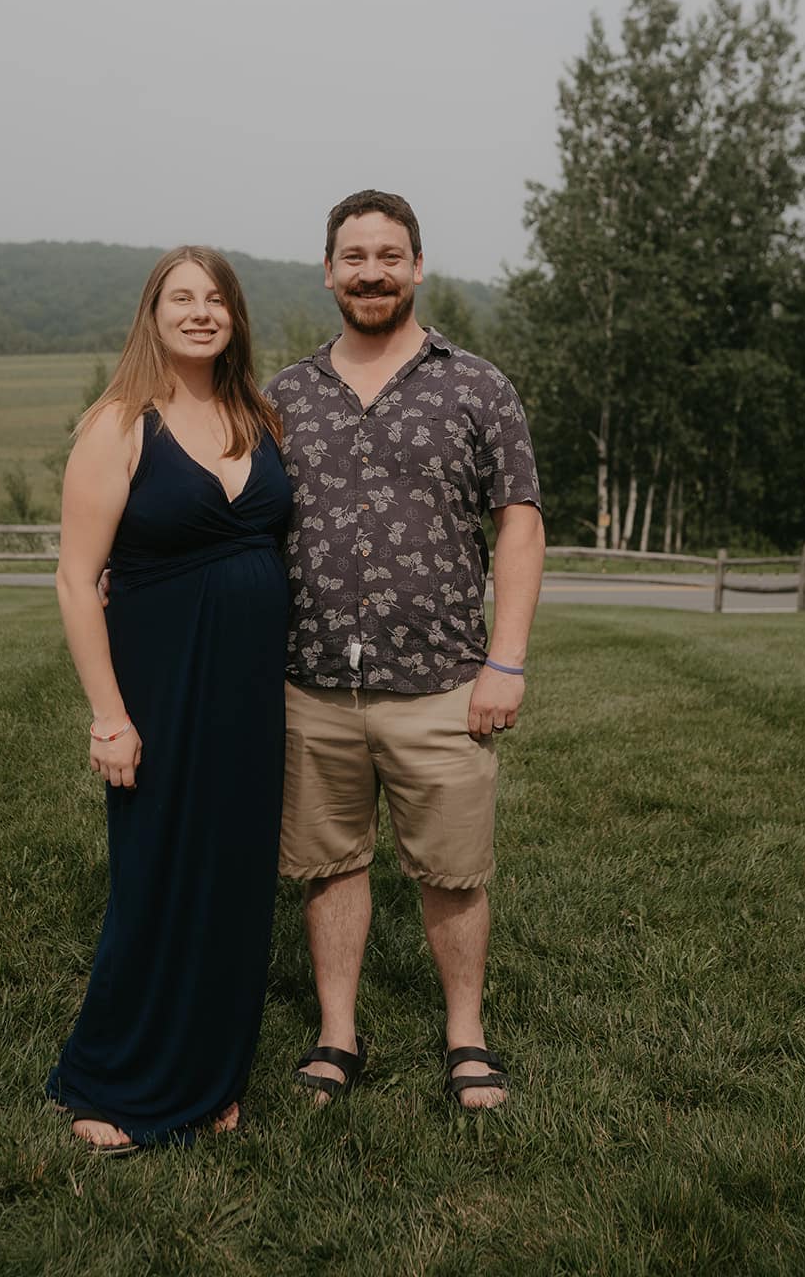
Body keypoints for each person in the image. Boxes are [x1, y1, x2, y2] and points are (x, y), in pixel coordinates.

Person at [265, 191, 544, 1110]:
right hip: (312, 682)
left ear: (417, 267)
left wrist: (504, 660)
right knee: (327, 863)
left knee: (452, 871)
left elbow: (517, 524)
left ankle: (466, 1036)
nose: (372, 272)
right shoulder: (285, 397)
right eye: (354, 257)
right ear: (330, 270)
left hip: (443, 682)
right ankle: (336, 1034)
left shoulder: (477, 386)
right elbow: (233, 519)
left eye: (389, 256)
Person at [47, 245, 291, 1151]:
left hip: (250, 694)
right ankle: (114, 1078)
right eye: (181, 298)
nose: (200, 312)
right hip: (159, 683)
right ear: (152, 315)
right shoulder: (119, 422)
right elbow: (76, 580)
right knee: (154, 877)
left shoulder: (257, 416)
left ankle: (211, 1076)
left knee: (234, 883)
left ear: (235, 316)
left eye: (215, 297)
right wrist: (109, 715)